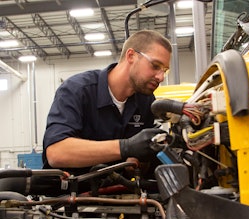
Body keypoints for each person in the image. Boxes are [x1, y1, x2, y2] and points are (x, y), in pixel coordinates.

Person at [42, 30, 172, 182]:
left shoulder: (146, 101)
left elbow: (140, 159)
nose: (161, 77)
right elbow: (57, 153)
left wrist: (139, 161)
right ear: (131, 56)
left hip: (118, 195)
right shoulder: (77, 90)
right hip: (68, 197)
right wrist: (125, 147)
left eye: (165, 71)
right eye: (155, 66)